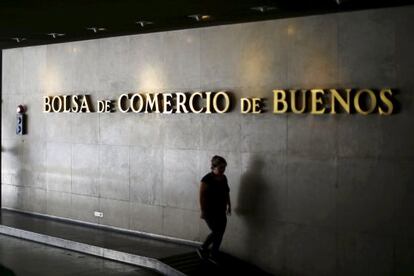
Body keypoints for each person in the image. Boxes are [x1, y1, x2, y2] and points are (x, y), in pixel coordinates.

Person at [197, 155, 231, 263]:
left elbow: (226, 192)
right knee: (217, 231)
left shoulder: (224, 178)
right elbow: (201, 196)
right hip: (209, 211)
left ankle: (212, 253)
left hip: (221, 210)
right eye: (221, 168)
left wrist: (229, 205)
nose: (223, 170)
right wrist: (203, 211)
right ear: (214, 167)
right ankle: (204, 248)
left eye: (224, 167)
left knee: (220, 233)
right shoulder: (206, 179)